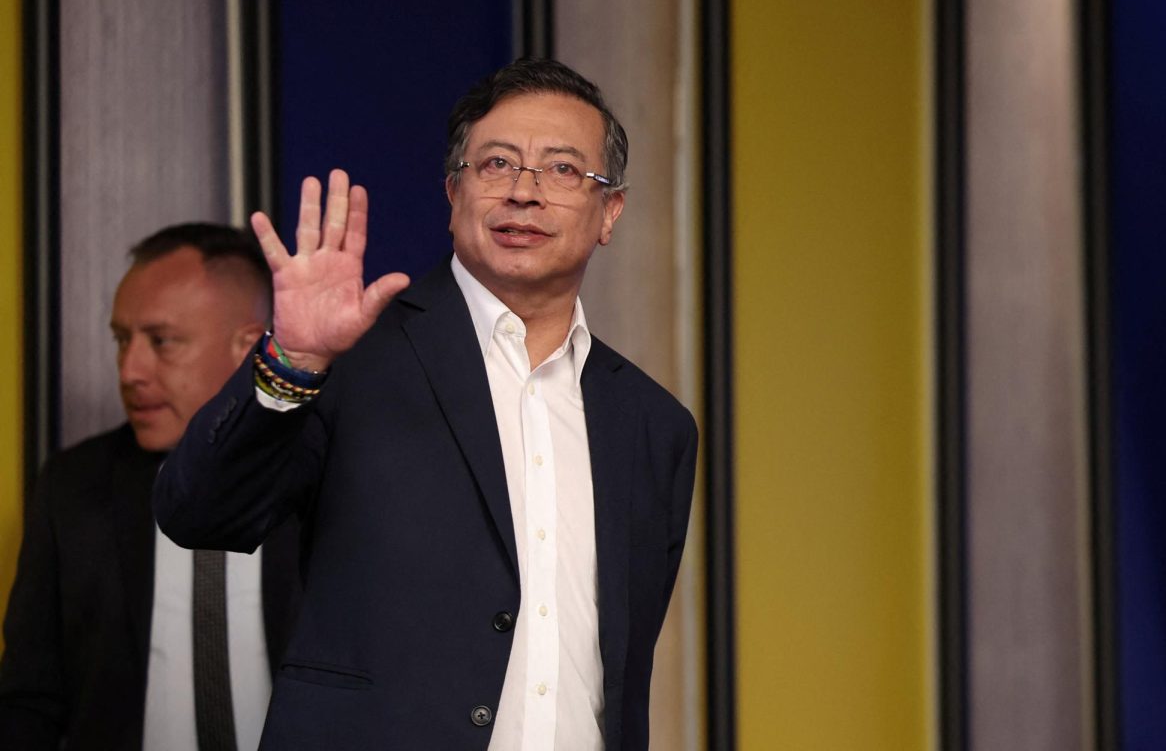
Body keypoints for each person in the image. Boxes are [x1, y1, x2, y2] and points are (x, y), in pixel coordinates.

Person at [155, 59, 698, 750]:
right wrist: (292, 362)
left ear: (609, 212)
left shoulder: (654, 427)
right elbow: (198, 512)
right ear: (453, 194)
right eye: (496, 164)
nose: (523, 194)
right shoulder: (350, 359)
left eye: (562, 171)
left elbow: (619, 675)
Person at [0, 224, 302, 750]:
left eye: (161, 341)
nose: (130, 370)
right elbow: (29, 698)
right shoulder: (73, 487)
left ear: (247, 346)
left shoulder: (322, 475)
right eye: (122, 340)